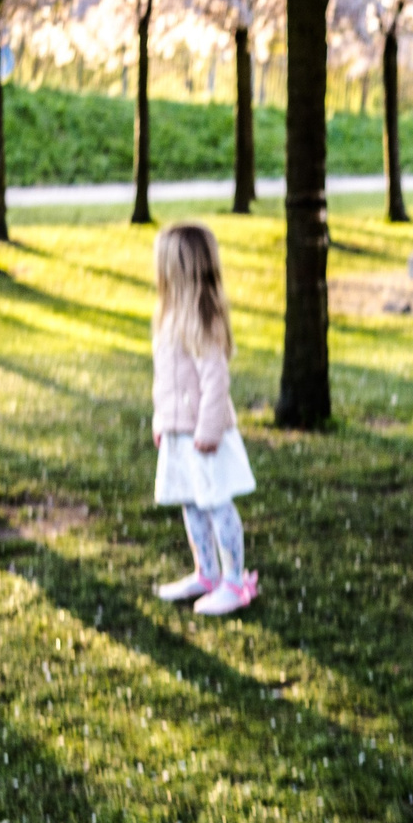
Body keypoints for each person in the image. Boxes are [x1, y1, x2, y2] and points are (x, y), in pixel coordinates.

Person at [149, 222, 259, 615]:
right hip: (179, 433)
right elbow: (165, 379)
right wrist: (161, 419)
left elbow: (215, 380)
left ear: (180, 269)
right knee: (191, 503)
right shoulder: (167, 317)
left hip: (203, 434)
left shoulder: (203, 319)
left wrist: (208, 429)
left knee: (215, 503)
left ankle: (234, 581)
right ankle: (206, 572)